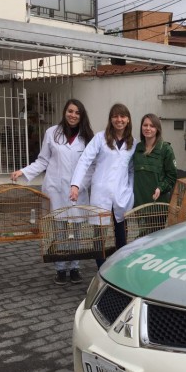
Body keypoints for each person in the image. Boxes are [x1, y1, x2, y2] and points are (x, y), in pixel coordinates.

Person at [10, 98, 94, 286]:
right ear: (65, 112)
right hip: (56, 189)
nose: (73, 115)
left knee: (78, 230)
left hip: (77, 192)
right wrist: (23, 171)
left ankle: (74, 267)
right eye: (70, 111)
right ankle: (60, 269)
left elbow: (90, 167)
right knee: (60, 230)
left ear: (82, 116)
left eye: (77, 113)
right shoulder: (51, 133)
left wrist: (80, 185)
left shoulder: (87, 137)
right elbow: (43, 161)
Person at [69, 103, 136, 269]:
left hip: (122, 195)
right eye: (115, 116)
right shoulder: (100, 138)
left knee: (122, 235)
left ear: (128, 120)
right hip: (101, 194)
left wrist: (130, 191)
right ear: (110, 119)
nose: (119, 120)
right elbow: (85, 160)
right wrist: (75, 185)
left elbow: (132, 169)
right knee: (99, 236)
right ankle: (101, 269)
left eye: (122, 116)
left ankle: (120, 269)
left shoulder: (133, 143)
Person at [132, 114, 177, 235]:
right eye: (145, 125)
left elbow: (172, 177)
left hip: (157, 206)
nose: (148, 128)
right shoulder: (137, 148)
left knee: (155, 239)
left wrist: (160, 188)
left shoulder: (165, 149)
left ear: (157, 129)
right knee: (142, 238)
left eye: (152, 126)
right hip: (140, 206)